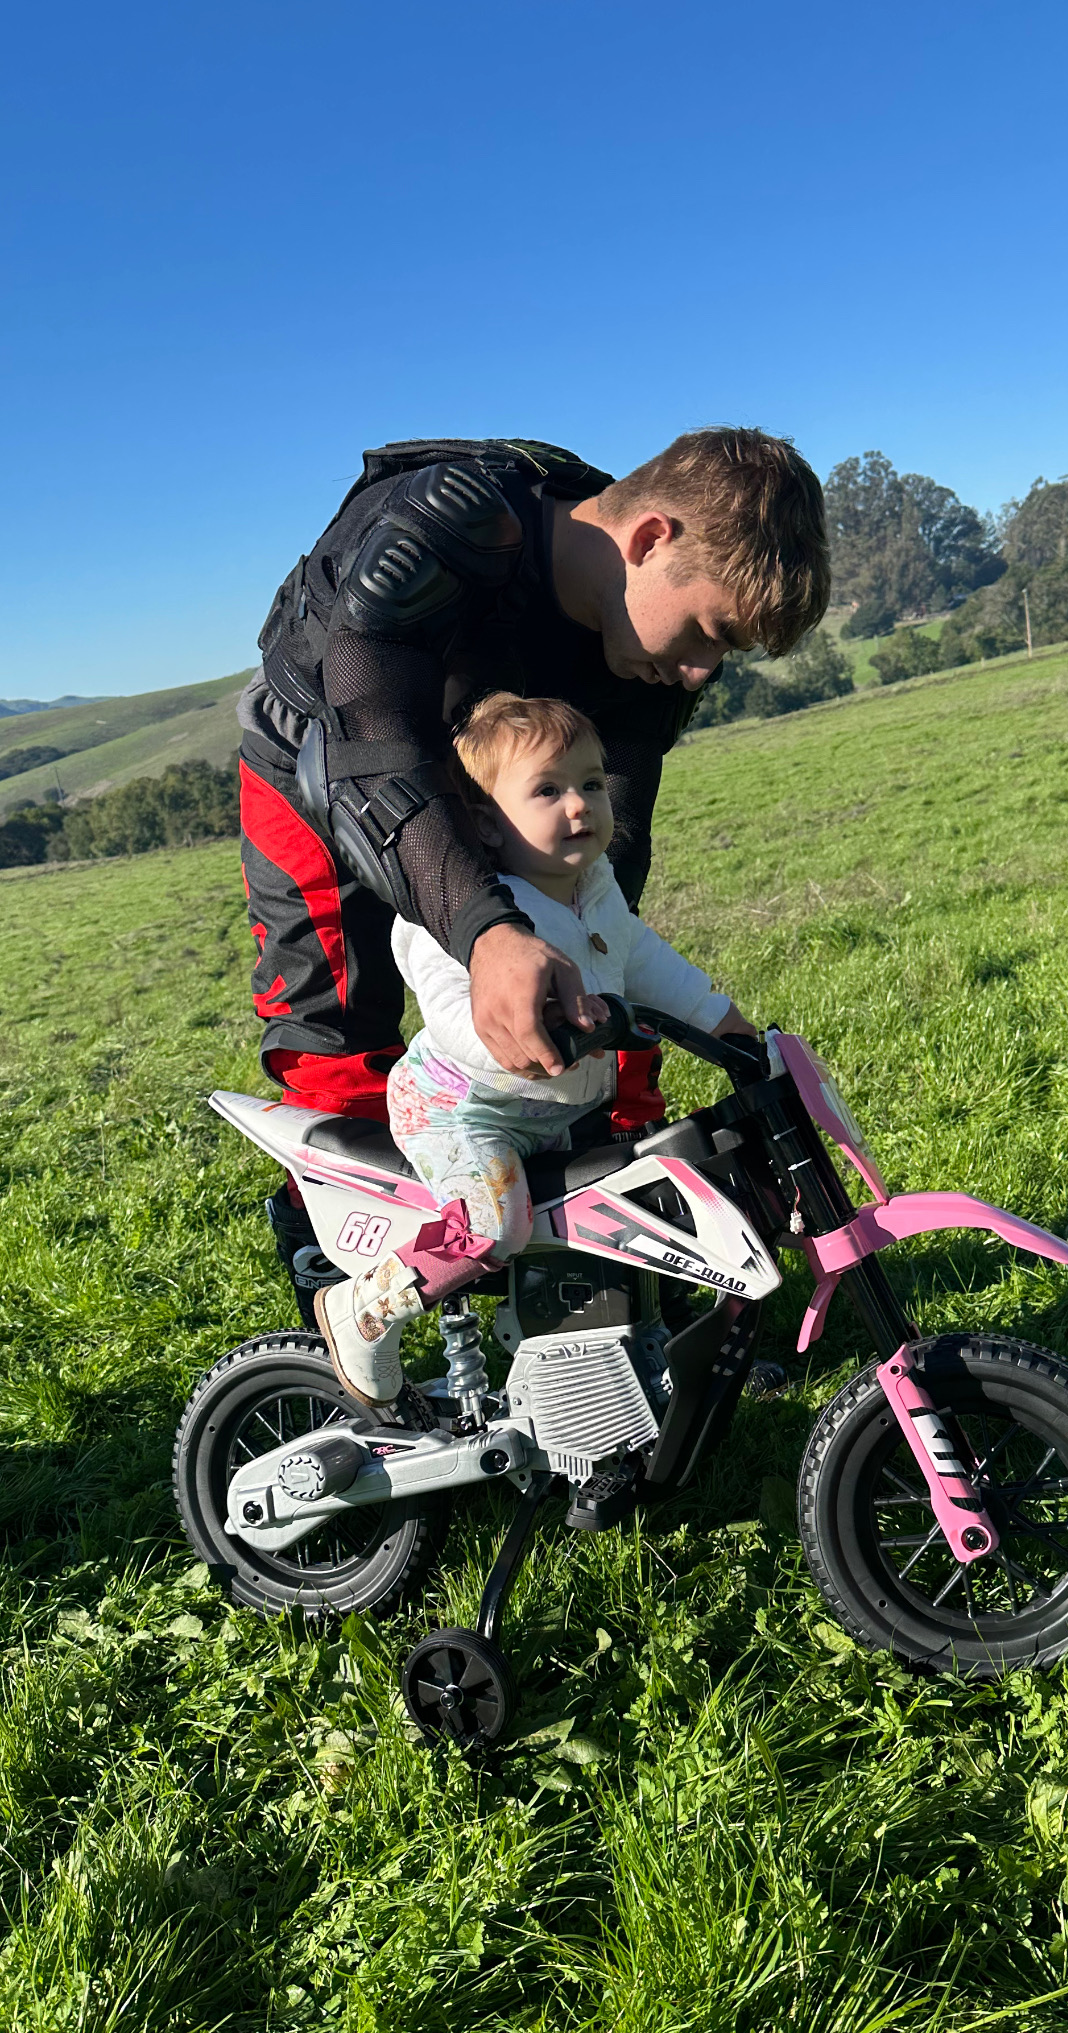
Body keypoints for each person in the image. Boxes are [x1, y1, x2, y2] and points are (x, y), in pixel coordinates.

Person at [236, 429, 830, 1302]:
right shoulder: (443, 526)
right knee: (338, 1050)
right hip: (325, 768)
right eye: (709, 630)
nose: (703, 669)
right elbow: (377, 752)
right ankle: (350, 1314)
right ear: (649, 538)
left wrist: (610, 986)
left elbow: (609, 871)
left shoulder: (646, 662)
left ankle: (623, 1288)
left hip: (500, 787)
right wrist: (488, 933)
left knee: (601, 1006)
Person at [316, 692, 755, 1405]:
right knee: (498, 1222)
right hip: (462, 1109)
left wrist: (720, 1019)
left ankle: (647, 1355)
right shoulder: (461, 913)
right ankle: (363, 1308)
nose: (579, 805)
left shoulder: (595, 886)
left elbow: (642, 957)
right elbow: (456, 1014)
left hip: (553, 1110)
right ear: (487, 821)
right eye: (548, 790)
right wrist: (527, 1037)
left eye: (590, 782)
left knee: (635, 1202)